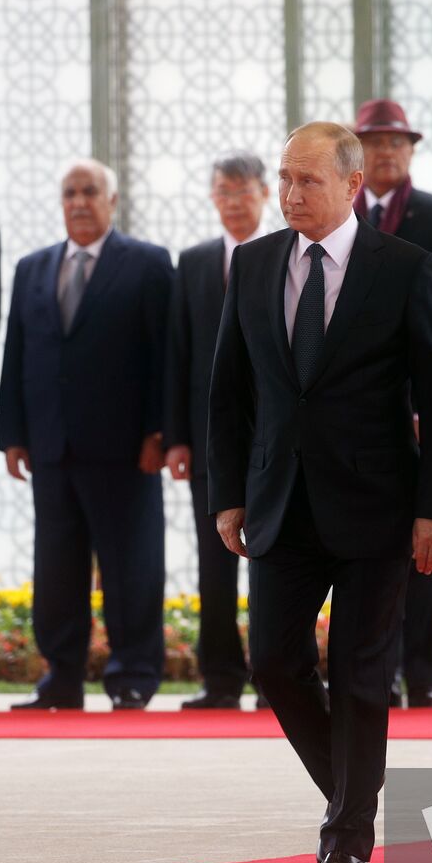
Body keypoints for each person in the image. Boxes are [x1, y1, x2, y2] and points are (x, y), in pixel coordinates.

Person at [207, 122, 432, 863]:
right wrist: (227, 497)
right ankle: (357, 792)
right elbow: (228, 395)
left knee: (359, 671)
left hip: (378, 508)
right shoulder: (253, 266)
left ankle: (346, 833)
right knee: (274, 663)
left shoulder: (406, 268)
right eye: (285, 178)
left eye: (308, 181)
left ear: (353, 186)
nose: (290, 194)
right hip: (279, 503)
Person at [0, 159, 172, 711]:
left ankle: (132, 675)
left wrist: (159, 432)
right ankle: (61, 678)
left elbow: (165, 355)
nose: (79, 201)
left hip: (126, 450)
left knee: (130, 566)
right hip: (51, 447)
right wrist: (13, 434)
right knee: (56, 569)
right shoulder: (32, 268)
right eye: (70, 192)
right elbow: (18, 353)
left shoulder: (146, 264)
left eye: (90, 191)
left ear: (112, 200)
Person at [352, 98, 432, 709]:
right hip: (359, 416)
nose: (388, 152)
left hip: (422, 407)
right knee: (370, 548)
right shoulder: (334, 217)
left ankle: (423, 675)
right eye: (375, 142)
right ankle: (380, 672)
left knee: (428, 534)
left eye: (398, 142)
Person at [165, 152, 269, 710]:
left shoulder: (288, 254)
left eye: (242, 191)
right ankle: (220, 679)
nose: (232, 201)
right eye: (222, 192)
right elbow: (177, 354)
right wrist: (176, 436)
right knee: (214, 564)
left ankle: (275, 678)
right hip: (209, 442)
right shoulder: (194, 262)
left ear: (263, 195)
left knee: (277, 565)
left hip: (274, 440)